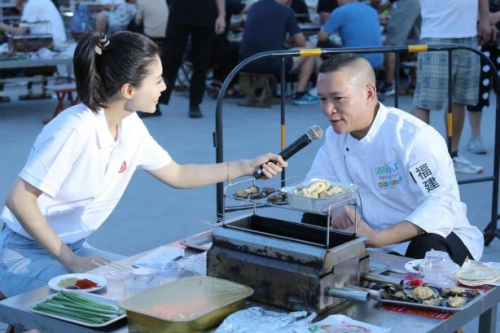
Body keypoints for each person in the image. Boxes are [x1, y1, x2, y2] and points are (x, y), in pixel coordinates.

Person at [0, 31, 287, 297]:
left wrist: (247, 165)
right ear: (128, 90)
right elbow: (19, 198)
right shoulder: (75, 129)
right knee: (105, 298)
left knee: (149, 286)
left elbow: (178, 174)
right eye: (158, 79)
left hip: (72, 246)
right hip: (21, 251)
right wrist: (71, 260)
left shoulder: (130, 124)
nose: (165, 86)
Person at [304, 53, 483, 265]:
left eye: (338, 98)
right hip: (366, 231)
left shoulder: (412, 137)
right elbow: (314, 184)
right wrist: (335, 207)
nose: (328, 109)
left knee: (428, 250)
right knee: (312, 222)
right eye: (322, 99)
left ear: (369, 93)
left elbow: (443, 203)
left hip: (425, 234)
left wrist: (380, 239)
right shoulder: (335, 137)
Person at [410, 0, 492, 174]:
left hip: (469, 36)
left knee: (460, 99)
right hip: (436, 35)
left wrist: (485, 18)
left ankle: (452, 155)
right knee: (425, 101)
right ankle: (421, 159)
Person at [240, 0, 320, 105]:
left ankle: (262, 91)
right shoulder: (286, 10)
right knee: (310, 49)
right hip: (272, 64)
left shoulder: (255, 6)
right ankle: (300, 93)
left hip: (245, 62)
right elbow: (301, 41)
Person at [159, 0, 226, 119]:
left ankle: (195, 104)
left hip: (205, 13)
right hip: (180, 11)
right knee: (169, 59)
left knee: (201, 62)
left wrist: (221, 15)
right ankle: (156, 102)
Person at [466, 0, 500, 155]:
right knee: (478, 89)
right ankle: (475, 136)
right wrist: (486, 20)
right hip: (479, 35)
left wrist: (495, 18)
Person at [317, 0, 383, 69]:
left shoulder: (340, 11)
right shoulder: (373, 11)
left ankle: (326, 77)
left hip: (355, 61)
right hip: (378, 60)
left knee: (318, 46)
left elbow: (322, 37)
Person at [378, 0, 421, 97]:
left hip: (406, 3)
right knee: (418, 42)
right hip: (419, 3)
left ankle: (388, 85)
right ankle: (416, 84)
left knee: (391, 43)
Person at [0, 0, 66, 46]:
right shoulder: (40, 1)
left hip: (52, 43)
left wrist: (3, 27)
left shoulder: (31, 5)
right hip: (57, 40)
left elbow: (20, 32)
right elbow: (28, 23)